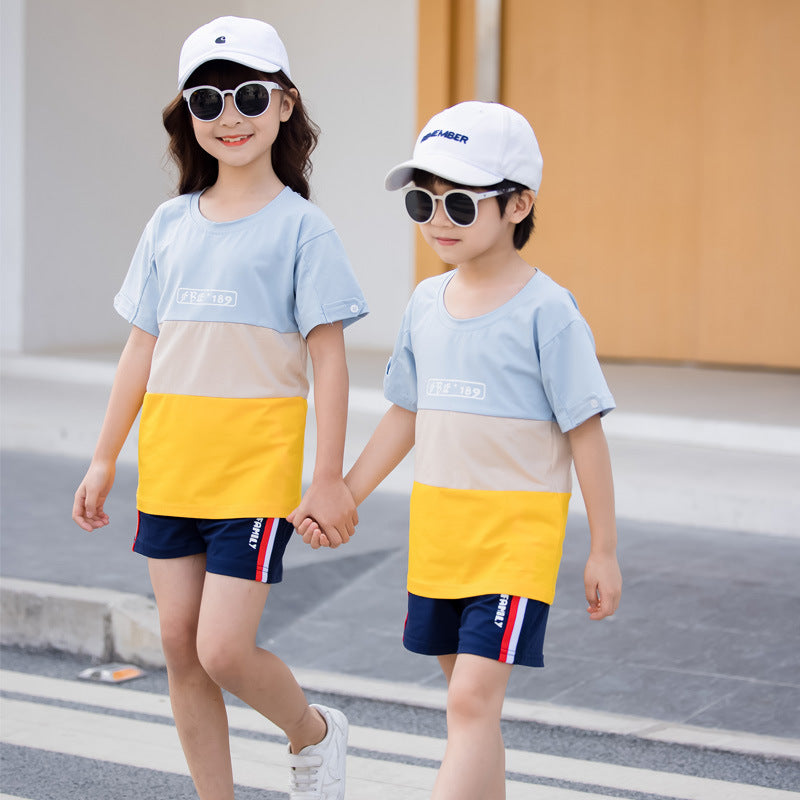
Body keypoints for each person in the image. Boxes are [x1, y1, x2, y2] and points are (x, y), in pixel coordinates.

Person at [71, 16, 366, 800]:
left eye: (246, 94)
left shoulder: (304, 230)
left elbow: (330, 362)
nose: (228, 114)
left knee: (225, 649)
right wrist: (104, 457)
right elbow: (141, 349)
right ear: (187, 117)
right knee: (178, 646)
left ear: (282, 104)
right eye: (207, 99)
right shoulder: (168, 225)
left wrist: (328, 476)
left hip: (255, 474)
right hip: (172, 469)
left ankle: (314, 732)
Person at [295, 101, 622, 800]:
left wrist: (603, 548)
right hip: (439, 538)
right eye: (423, 201)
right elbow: (403, 416)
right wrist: (342, 494)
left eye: (461, 204)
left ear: (518, 204)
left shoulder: (548, 311)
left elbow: (585, 432)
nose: (438, 220)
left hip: (514, 542)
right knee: (472, 710)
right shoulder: (424, 302)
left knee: (470, 704)